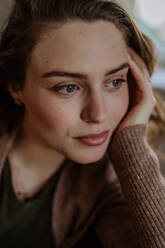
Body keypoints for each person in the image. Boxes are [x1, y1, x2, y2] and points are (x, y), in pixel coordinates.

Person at [0, 0, 164, 247]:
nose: (98, 114)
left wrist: (133, 143)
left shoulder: (109, 180)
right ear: (16, 87)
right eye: (68, 87)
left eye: (114, 82)